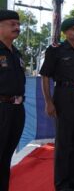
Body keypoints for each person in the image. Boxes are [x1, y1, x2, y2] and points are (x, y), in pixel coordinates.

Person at [40, 17, 74, 191]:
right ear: (65, 32)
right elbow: (45, 76)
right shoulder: (56, 50)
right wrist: (49, 102)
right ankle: (62, 184)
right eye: (73, 29)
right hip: (65, 95)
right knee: (64, 141)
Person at [0, 10, 25, 191]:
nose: (17, 28)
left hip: (17, 110)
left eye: (18, 24)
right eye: (12, 24)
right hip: (1, 109)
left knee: (6, 156)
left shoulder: (16, 53)